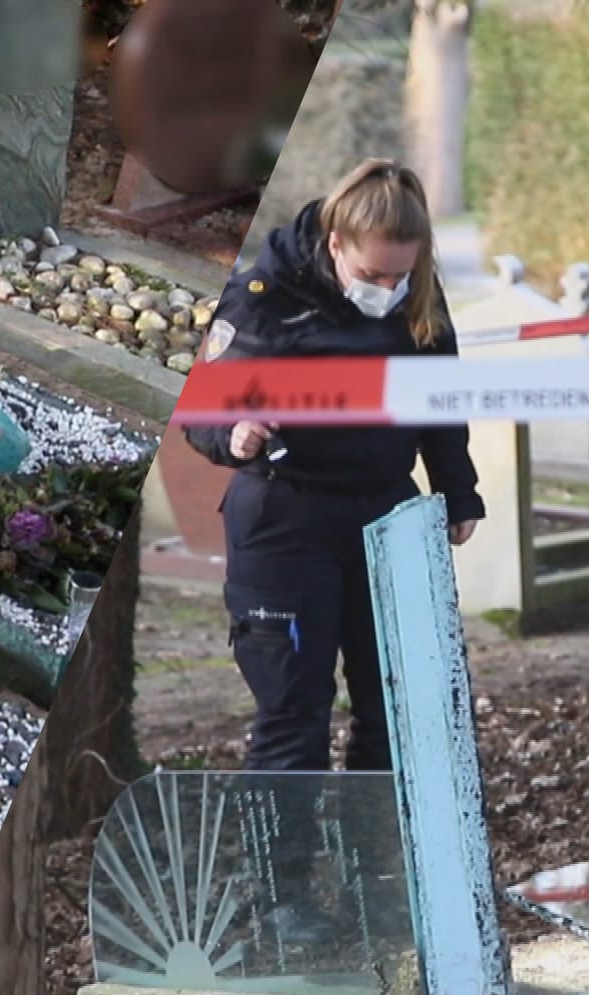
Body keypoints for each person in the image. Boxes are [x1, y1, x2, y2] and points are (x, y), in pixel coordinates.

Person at [183, 159, 484, 942]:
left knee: (393, 710)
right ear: (335, 239)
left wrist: (457, 491)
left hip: (386, 514)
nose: (385, 284)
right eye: (372, 270)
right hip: (284, 522)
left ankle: (375, 881)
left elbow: (440, 403)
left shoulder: (414, 294)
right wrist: (235, 433)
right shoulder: (263, 298)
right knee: (294, 716)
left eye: (400, 271)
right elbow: (201, 410)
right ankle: (285, 899)